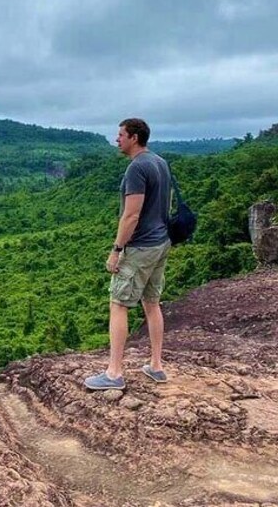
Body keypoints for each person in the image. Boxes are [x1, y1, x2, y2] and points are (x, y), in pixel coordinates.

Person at [85, 118, 171, 391]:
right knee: (152, 302)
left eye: (121, 134)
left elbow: (131, 214)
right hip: (160, 242)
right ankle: (156, 366)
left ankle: (114, 373)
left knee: (118, 304)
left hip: (140, 246)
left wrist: (116, 250)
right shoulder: (159, 162)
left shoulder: (136, 168)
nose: (116, 139)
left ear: (134, 137)